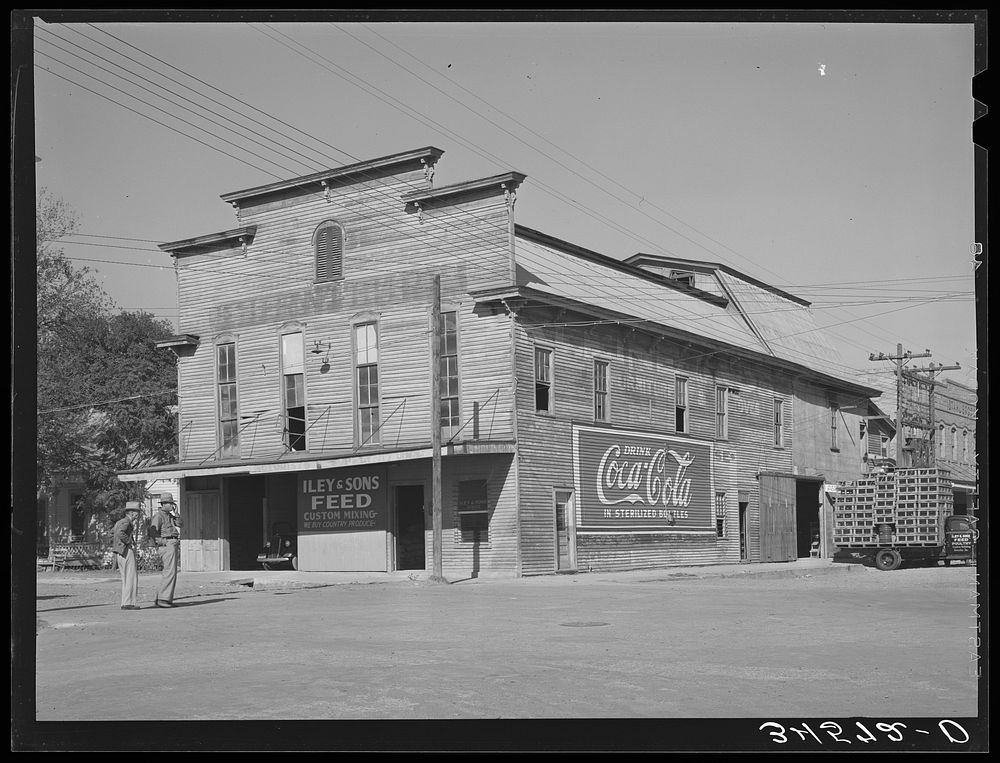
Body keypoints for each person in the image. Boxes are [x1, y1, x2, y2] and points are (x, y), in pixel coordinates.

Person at [148, 493, 183, 608]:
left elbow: (180, 524)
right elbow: (153, 531)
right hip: (167, 544)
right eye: (170, 503)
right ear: (164, 504)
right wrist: (163, 542)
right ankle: (163, 599)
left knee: (171, 571)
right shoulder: (158, 516)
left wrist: (175, 513)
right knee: (169, 572)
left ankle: (165, 598)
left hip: (172, 543)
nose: (172, 505)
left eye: (172, 503)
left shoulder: (170, 516)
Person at [112, 502, 143, 610]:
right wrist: (129, 541)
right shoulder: (126, 522)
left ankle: (126, 602)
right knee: (131, 576)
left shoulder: (121, 521)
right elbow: (120, 533)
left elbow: (115, 532)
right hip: (125, 550)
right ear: (132, 512)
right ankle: (128, 602)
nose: (138, 515)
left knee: (126, 577)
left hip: (120, 551)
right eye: (137, 512)